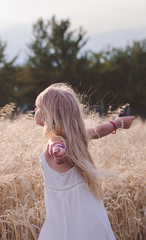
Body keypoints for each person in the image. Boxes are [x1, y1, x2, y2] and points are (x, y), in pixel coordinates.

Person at [34, 83, 135, 240]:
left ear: (49, 115)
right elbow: (98, 131)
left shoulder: (55, 141)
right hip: (91, 216)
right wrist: (119, 123)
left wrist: (59, 152)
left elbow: (56, 145)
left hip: (64, 223)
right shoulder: (77, 137)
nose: (35, 111)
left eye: (38, 108)